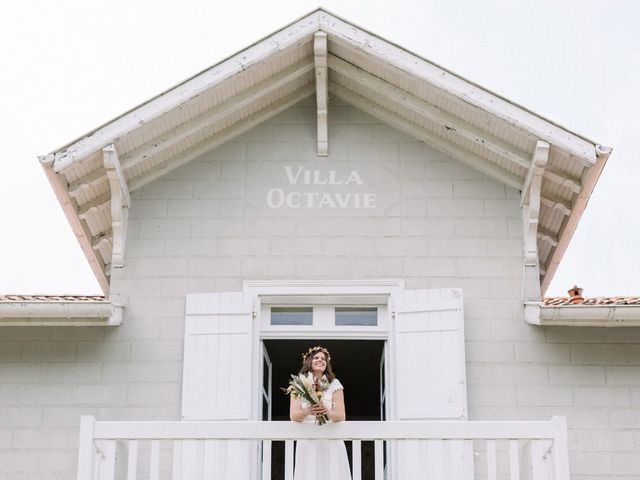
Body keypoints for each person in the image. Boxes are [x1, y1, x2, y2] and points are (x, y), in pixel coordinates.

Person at [289, 346, 351, 480]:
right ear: (309, 361)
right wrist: (308, 410)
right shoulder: (298, 384)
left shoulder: (334, 384)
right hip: (307, 441)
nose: (320, 360)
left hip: (331, 440)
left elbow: (341, 416)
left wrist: (327, 412)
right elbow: (294, 416)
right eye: (316, 357)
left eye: (323, 359)